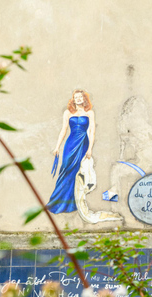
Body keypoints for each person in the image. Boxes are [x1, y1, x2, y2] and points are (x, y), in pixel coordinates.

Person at [47, 90, 121, 223]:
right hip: (70, 144)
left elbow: (92, 131)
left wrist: (90, 148)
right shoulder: (68, 113)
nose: (78, 99)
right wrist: (57, 147)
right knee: (66, 170)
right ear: (73, 100)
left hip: (83, 143)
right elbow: (64, 130)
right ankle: (58, 202)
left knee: (78, 172)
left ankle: (73, 203)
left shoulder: (89, 113)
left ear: (84, 99)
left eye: (80, 97)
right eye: (76, 97)